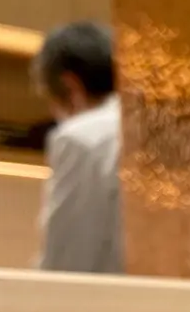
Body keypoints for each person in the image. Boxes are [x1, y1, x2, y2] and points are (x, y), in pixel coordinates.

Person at [32, 22, 124, 274]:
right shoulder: (158, 126)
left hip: (113, 298)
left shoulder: (81, 138)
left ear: (71, 87)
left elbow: (64, 265)